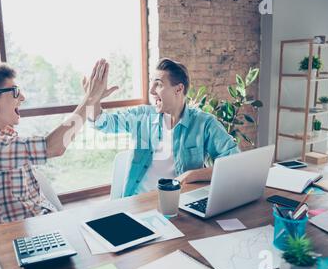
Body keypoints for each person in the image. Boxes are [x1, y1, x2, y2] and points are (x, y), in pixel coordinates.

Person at [0, 59, 115, 225]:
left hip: (45, 224)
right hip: (19, 238)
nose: (22, 97)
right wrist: (90, 99)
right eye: (14, 91)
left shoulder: (8, 137)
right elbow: (53, 147)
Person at [88, 58, 240, 198]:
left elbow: (233, 163)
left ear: (178, 89)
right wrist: (93, 98)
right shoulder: (142, 116)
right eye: (151, 83)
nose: (151, 91)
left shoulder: (204, 123)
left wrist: (192, 175)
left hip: (179, 203)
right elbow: (101, 122)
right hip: (139, 202)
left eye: (158, 84)